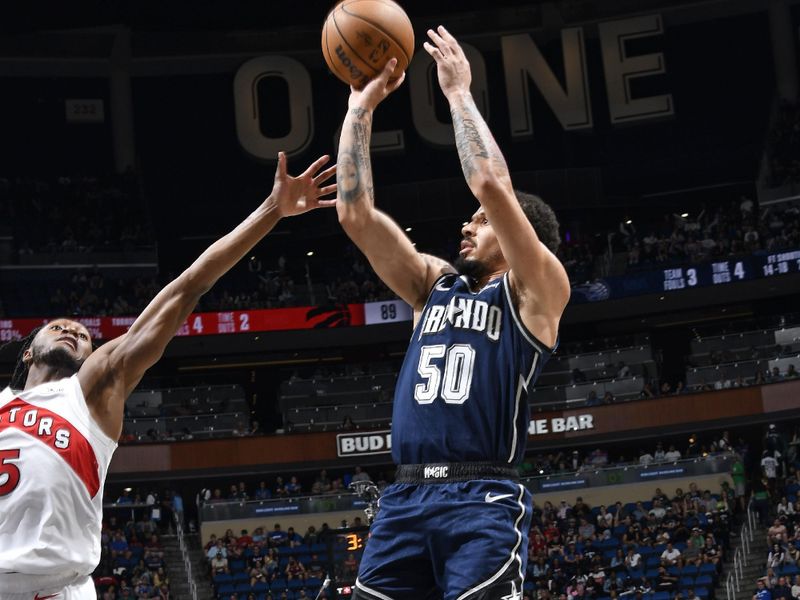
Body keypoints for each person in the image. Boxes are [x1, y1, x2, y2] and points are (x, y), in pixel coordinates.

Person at [0, 152, 337, 599]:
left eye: (82, 333)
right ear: (27, 351)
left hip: (56, 589)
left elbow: (188, 286)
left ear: (91, 357)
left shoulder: (90, 391)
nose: (71, 330)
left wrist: (271, 210)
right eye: (57, 326)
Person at [336, 26, 569, 600]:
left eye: (481, 221)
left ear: (521, 237)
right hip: (404, 497)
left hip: (482, 499)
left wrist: (459, 92)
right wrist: (358, 108)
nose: (467, 224)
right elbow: (355, 215)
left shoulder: (537, 291)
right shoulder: (433, 286)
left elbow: (490, 182)